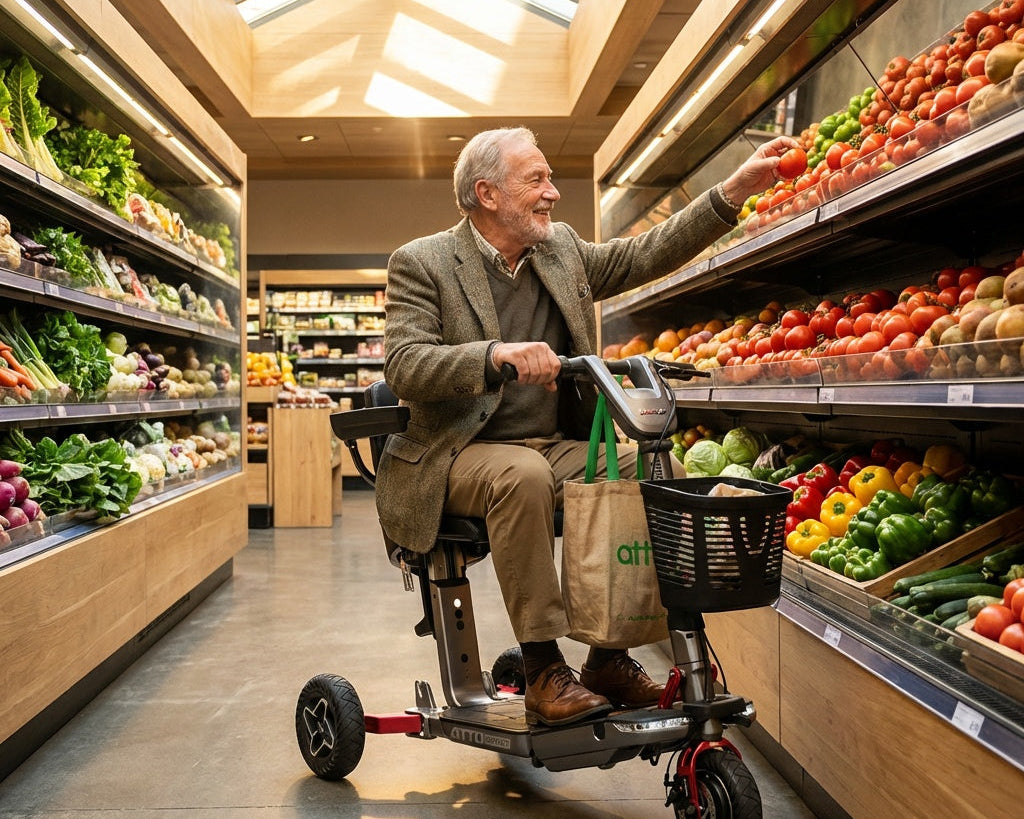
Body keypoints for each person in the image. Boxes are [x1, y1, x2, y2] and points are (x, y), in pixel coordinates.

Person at [377, 126, 797, 727]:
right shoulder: (423, 262)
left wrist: (733, 191)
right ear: (487, 193)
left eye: (550, 179)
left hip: (556, 445)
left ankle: (608, 657)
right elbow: (405, 364)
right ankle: (543, 667)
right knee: (521, 476)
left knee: (657, 471)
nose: (553, 193)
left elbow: (645, 254)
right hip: (463, 450)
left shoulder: (560, 248)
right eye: (536, 180)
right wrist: (494, 356)